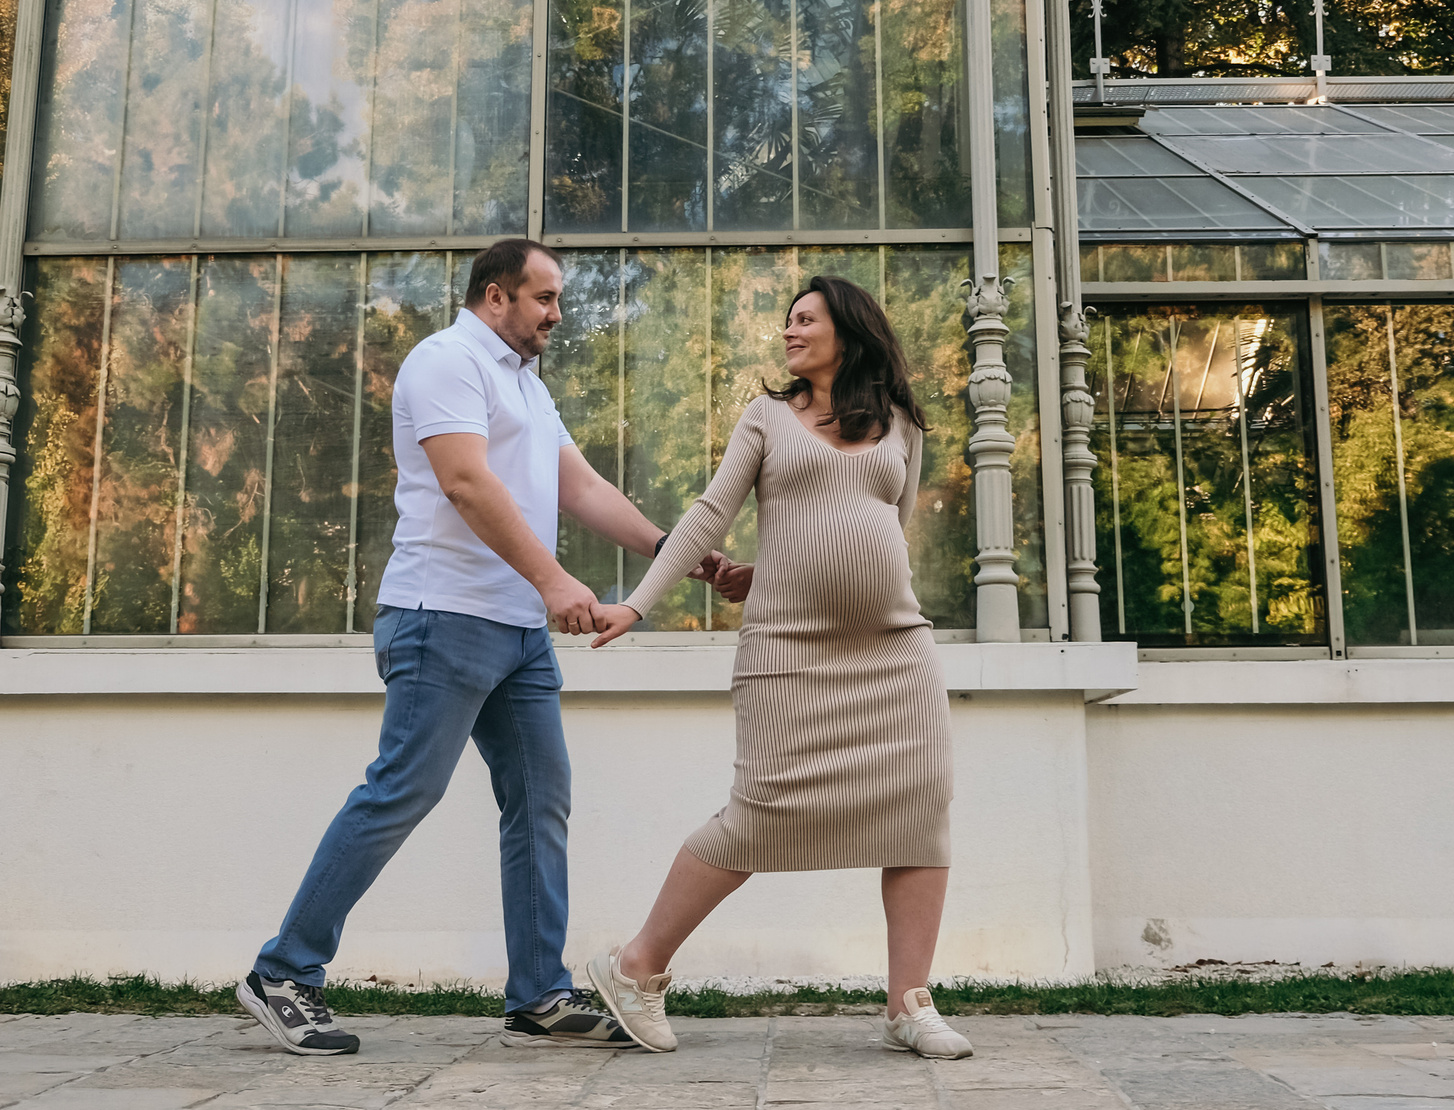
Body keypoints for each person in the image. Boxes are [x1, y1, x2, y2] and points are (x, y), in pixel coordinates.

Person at [241, 238, 718, 1055]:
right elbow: (466, 484)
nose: (557, 313)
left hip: (517, 634)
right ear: (496, 296)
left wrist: (678, 553)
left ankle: (538, 993)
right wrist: (556, 582)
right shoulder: (445, 360)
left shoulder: (524, 384)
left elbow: (583, 486)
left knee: (541, 798)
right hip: (441, 616)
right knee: (401, 791)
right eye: (545, 298)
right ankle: (283, 971)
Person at [580, 275, 973, 1060]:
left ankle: (908, 1003)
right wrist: (639, 603)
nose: (789, 333)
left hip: (895, 650)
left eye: (806, 320)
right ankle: (635, 966)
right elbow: (708, 516)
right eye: (788, 321)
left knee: (920, 811)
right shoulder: (767, 416)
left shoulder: (900, 423)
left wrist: (770, 568)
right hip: (789, 652)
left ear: (849, 331)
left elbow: (880, 533)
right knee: (758, 816)